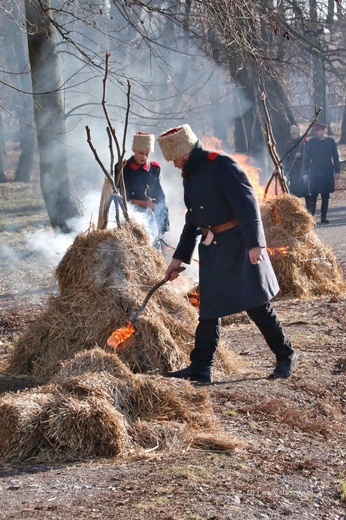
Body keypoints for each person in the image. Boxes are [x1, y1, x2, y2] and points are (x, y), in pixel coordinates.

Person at [156, 124, 297, 384]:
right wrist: (178, 258)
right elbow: (193, 219)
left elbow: (247, 203)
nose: (174, 165)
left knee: (257, 306)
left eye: (174, 158)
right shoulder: (191, 173)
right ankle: (201, 368)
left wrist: (256, 244)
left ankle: (285, 355)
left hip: (239, 245)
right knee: (209, 310)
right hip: (213, 248)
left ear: (184, 152)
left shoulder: (219, 164)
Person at [98, 132, 169, 245]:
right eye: (141, 153)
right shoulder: (122, 168)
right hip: (127, 215)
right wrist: (137, 202)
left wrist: (163, 223)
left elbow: (160, 196)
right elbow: (116, 195)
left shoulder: (154, 169)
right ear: (134, 150)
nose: (144, 157)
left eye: (147, 153)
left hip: (149, 217)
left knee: (154, 246)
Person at [304, 123, 340, 224]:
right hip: (314, 172)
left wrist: (337, 171)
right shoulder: (312, 142)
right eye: (316, 130)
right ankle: (311, 218)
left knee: (325, 196)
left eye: (319, 130)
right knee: (313, 195)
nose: (317, 132)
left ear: (325, 131)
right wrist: (305, 173)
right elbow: (307, 159)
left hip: (327, 171)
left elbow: (336, 158)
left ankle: (323, 217)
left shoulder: (331, 142)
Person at [284, 125, 310, 206]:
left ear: (298, 134)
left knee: (307, 194)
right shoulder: (289, 145)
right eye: (292, 134)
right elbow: (286, 159)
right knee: (294, 195)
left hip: (303, 172)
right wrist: (286, 172)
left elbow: (308, 158)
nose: (292, 135)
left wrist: (301, 155)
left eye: (294, 134)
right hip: (293, 172)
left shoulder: (305, 143)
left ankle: (309, 212)